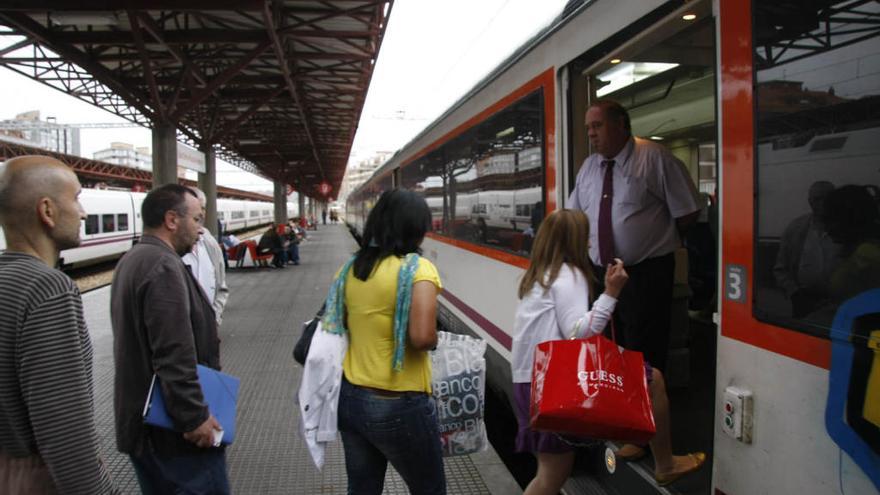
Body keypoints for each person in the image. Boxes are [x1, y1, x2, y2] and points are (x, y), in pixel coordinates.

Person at [512, 209, 706, 494]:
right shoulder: (569, 276)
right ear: (576, 241)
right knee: (655, 381)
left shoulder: (539, 276)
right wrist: (612, 292)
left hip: (529, 382)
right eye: (586, 236)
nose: (590, 242)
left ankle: (655, 456)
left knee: (550, 474)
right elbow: (579, 332)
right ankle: (665, 465)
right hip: (551, 383)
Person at [568, 100, 701, 461]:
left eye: (596, 126)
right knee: (614, 349)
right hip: (605, 274)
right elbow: (575, 216)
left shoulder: (654, 159)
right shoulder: (589, 168)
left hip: (645, 272)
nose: (591, 134)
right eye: (588, 127)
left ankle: (643, 437)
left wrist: (651, 242)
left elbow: (687, 212)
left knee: (644, 351)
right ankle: (621, 418)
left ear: (621, 125)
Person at [0, 156, 117, 494]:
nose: (82, 213)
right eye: (77, 198)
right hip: (35, 479)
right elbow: (64, 434)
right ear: (47, 211)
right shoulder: (47, 289)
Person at [110, 184, 228, 494]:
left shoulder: (134, 258)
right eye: (197, 220)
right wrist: (194, 418)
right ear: (172, 220)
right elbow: (173, 355)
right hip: (171, 433)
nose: (201, 231)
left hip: (145, 422)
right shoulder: (162, 266)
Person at [327, 189, 445, 495]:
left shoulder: (350, 269)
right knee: (429, 489)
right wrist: (437, 340)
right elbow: (421, 337)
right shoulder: (418, 269)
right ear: (414, 229)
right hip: (399, 401)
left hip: (351, 398)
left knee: (363, 490)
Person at [773, 181, 840, 317]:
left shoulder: (847, 229)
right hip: (804, 302)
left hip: (839, 304)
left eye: (827, 198)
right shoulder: (795, 229)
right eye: (817, 199)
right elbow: (780, 269)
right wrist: (794, 293)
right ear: (810, 202)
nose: (822, 203)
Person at [183, 187, 230, 326]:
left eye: (203, 208)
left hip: (207, 328)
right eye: (196, 210)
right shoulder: (169, 250)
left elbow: (221, 286)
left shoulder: (209, 242)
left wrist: (214, 318)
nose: (201, 214)